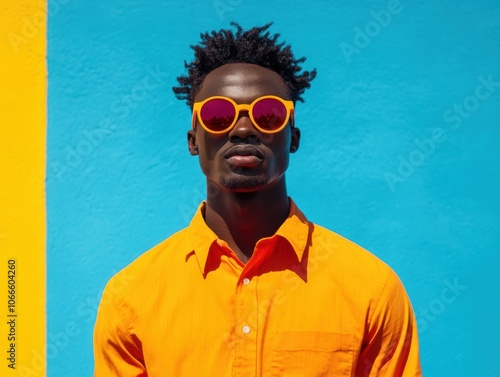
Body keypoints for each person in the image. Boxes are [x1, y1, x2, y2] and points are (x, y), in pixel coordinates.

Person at [93, 23, 422, 376]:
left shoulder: (370, 288)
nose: (243, 129)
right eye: (218, 115)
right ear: (193, 141)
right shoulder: (132, 296)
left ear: (292, 138)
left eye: (268, 115)